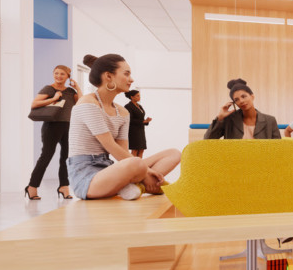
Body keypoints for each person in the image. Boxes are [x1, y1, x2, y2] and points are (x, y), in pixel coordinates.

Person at [67, 53, 181, 200]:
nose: (131, 79)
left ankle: (137, 186)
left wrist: (142, 170)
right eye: (126, 74)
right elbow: (110, 146)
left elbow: (122, 152)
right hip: (86, 177)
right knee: (136, 163)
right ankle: (144, 184)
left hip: (109, 169)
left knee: (174, 153)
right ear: (108, 76)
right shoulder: (87, 103)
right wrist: (146, 171)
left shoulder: (122, 112)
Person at [27, 65, 79, 200]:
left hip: (68, 126)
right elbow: (34, 104)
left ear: (68, 76)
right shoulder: (49, 89)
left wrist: (77, 87)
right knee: (46, 156)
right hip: (51, 126)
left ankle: (64, 186)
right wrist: (54, 98)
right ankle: (32, 186)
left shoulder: (70, 91)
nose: (59, 76)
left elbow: (82, 103)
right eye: (56, 73)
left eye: (62, 74)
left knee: (66, 158)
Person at [204, 78, 282, 140]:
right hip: (235, 159)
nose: (241, 101)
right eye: (236, 100)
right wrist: (219, 118)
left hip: (262, 160)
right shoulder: (229, 120)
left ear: (252, 96)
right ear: (234, 103)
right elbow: (208, 139)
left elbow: (277, 148)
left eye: (244, 96)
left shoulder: (270, 120)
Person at [124, 90, 151, 158]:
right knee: (135, 149)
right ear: (132, 97)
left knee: (141, 149)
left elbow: (141, 118)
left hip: (141, 130)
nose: (139, 97)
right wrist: (142, 122)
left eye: (139, 96)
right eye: (137, 96)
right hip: (133, 131)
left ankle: (139, 167)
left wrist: (146, 121)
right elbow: (129, 120)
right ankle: (132, 167)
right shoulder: (128, 106)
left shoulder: (139, 106)